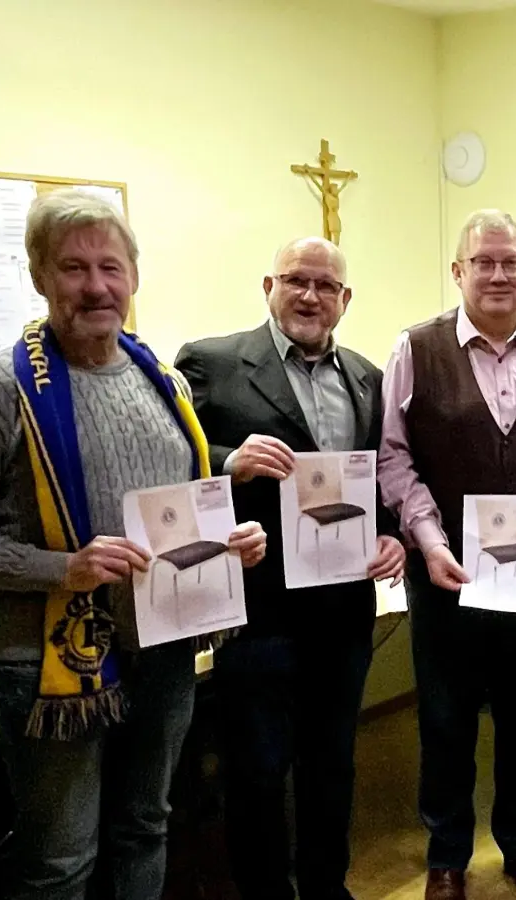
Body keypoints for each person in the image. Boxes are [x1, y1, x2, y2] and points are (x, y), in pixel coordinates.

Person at [0, 189, 269, 900]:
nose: (96, 286)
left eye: (111, 266)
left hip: (163, 653)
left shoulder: (161, 381)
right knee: (59, 860)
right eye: (73, 268)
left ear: (134, 276)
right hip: (50, 667)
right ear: (39, 276)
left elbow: (173, 507)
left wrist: (229, 541)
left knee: (146, 829)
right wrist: (62, 569)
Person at [174, 237, 406, 900]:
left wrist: (391, 538)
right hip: (257, 609)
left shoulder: (368, 376)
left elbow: (375, 478)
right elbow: (162, 459)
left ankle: (329, 888)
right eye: (297, 281)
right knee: (258, 771)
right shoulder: (210, 363)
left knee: (333, 763)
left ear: (345, 299)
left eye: (326, 285)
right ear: (268, 286)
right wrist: (226, 460)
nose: (311, 295)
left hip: (343, 613)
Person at [379, 210, 516, 900]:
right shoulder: (414, 349)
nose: (498, 274)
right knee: (444, 720)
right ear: (458, 271)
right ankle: (446, 857)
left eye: (511, 262)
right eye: (484, 262)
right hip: (446, 578)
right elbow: (393, 458)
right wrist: (431, 542)